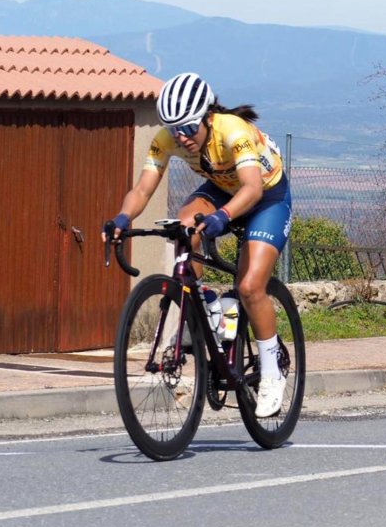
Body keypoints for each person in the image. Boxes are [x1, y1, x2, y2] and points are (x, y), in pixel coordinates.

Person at [103, 72, 293, 418]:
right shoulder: (167, 138)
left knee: (250, 287)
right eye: (175, 129)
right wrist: (121, 219)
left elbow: (251, 189)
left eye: (189, 128)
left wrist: (222, 216)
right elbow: (143, 188)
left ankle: (271, 372)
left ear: (207, 117)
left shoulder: (232, 130)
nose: (182, 137)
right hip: (222, 189)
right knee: (184, 224)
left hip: (266, 196)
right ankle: (205, 304)